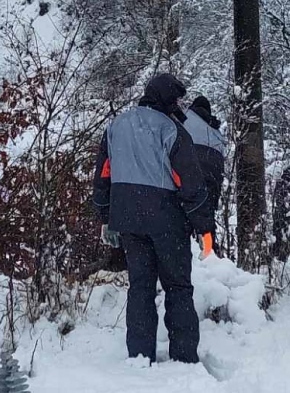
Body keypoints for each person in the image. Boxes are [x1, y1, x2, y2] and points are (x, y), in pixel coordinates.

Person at [92, 73, 215, 365]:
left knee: (140, 287)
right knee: (178, 287)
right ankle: (183, 357)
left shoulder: (116, 126)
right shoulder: (171, 131)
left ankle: (139, 355)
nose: (179, 106)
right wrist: (204, 228)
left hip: (128, 221)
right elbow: (190, 184)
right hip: (167, 222)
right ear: (168, 98)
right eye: (177, 100)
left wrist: (105, 216)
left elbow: (103, 175)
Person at [182, 96, 225, 256]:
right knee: (207, 216)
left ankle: (186, 249)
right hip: (212, 175)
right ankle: (208, 250)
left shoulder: (185, 118)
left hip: (191, 170)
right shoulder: (215, 130)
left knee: (185, 214)